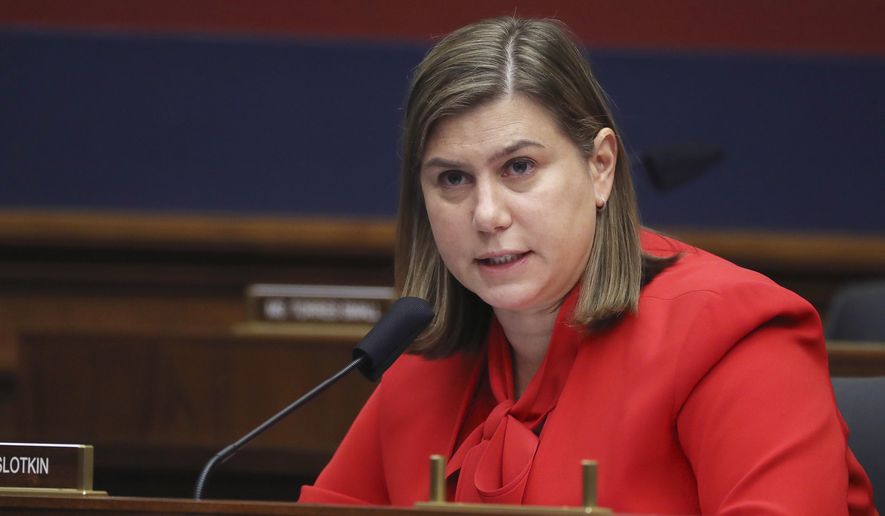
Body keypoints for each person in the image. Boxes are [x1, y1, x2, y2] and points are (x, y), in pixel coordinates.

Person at [299, 17, 877, 515]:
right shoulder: (424, 367)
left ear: (600, 166)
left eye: (519, 167)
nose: (487, 214)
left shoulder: (730, 337)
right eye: (453, 178)